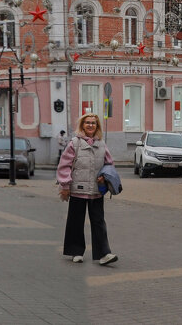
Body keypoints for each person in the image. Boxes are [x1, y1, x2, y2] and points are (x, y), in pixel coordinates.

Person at [57, 113, 118, 266]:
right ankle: (76, 251)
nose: (90, 125)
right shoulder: (74, 143)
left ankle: (104, 254)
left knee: (99, 222)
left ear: (97, 126)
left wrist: (104, 177)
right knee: (75, 221)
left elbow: (109, 164)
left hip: (96, 191)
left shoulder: (102, 144)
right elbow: (64, 166)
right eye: (87, 123)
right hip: (78, 189)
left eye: (93, 123)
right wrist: (65, 185)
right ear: (82, 125)